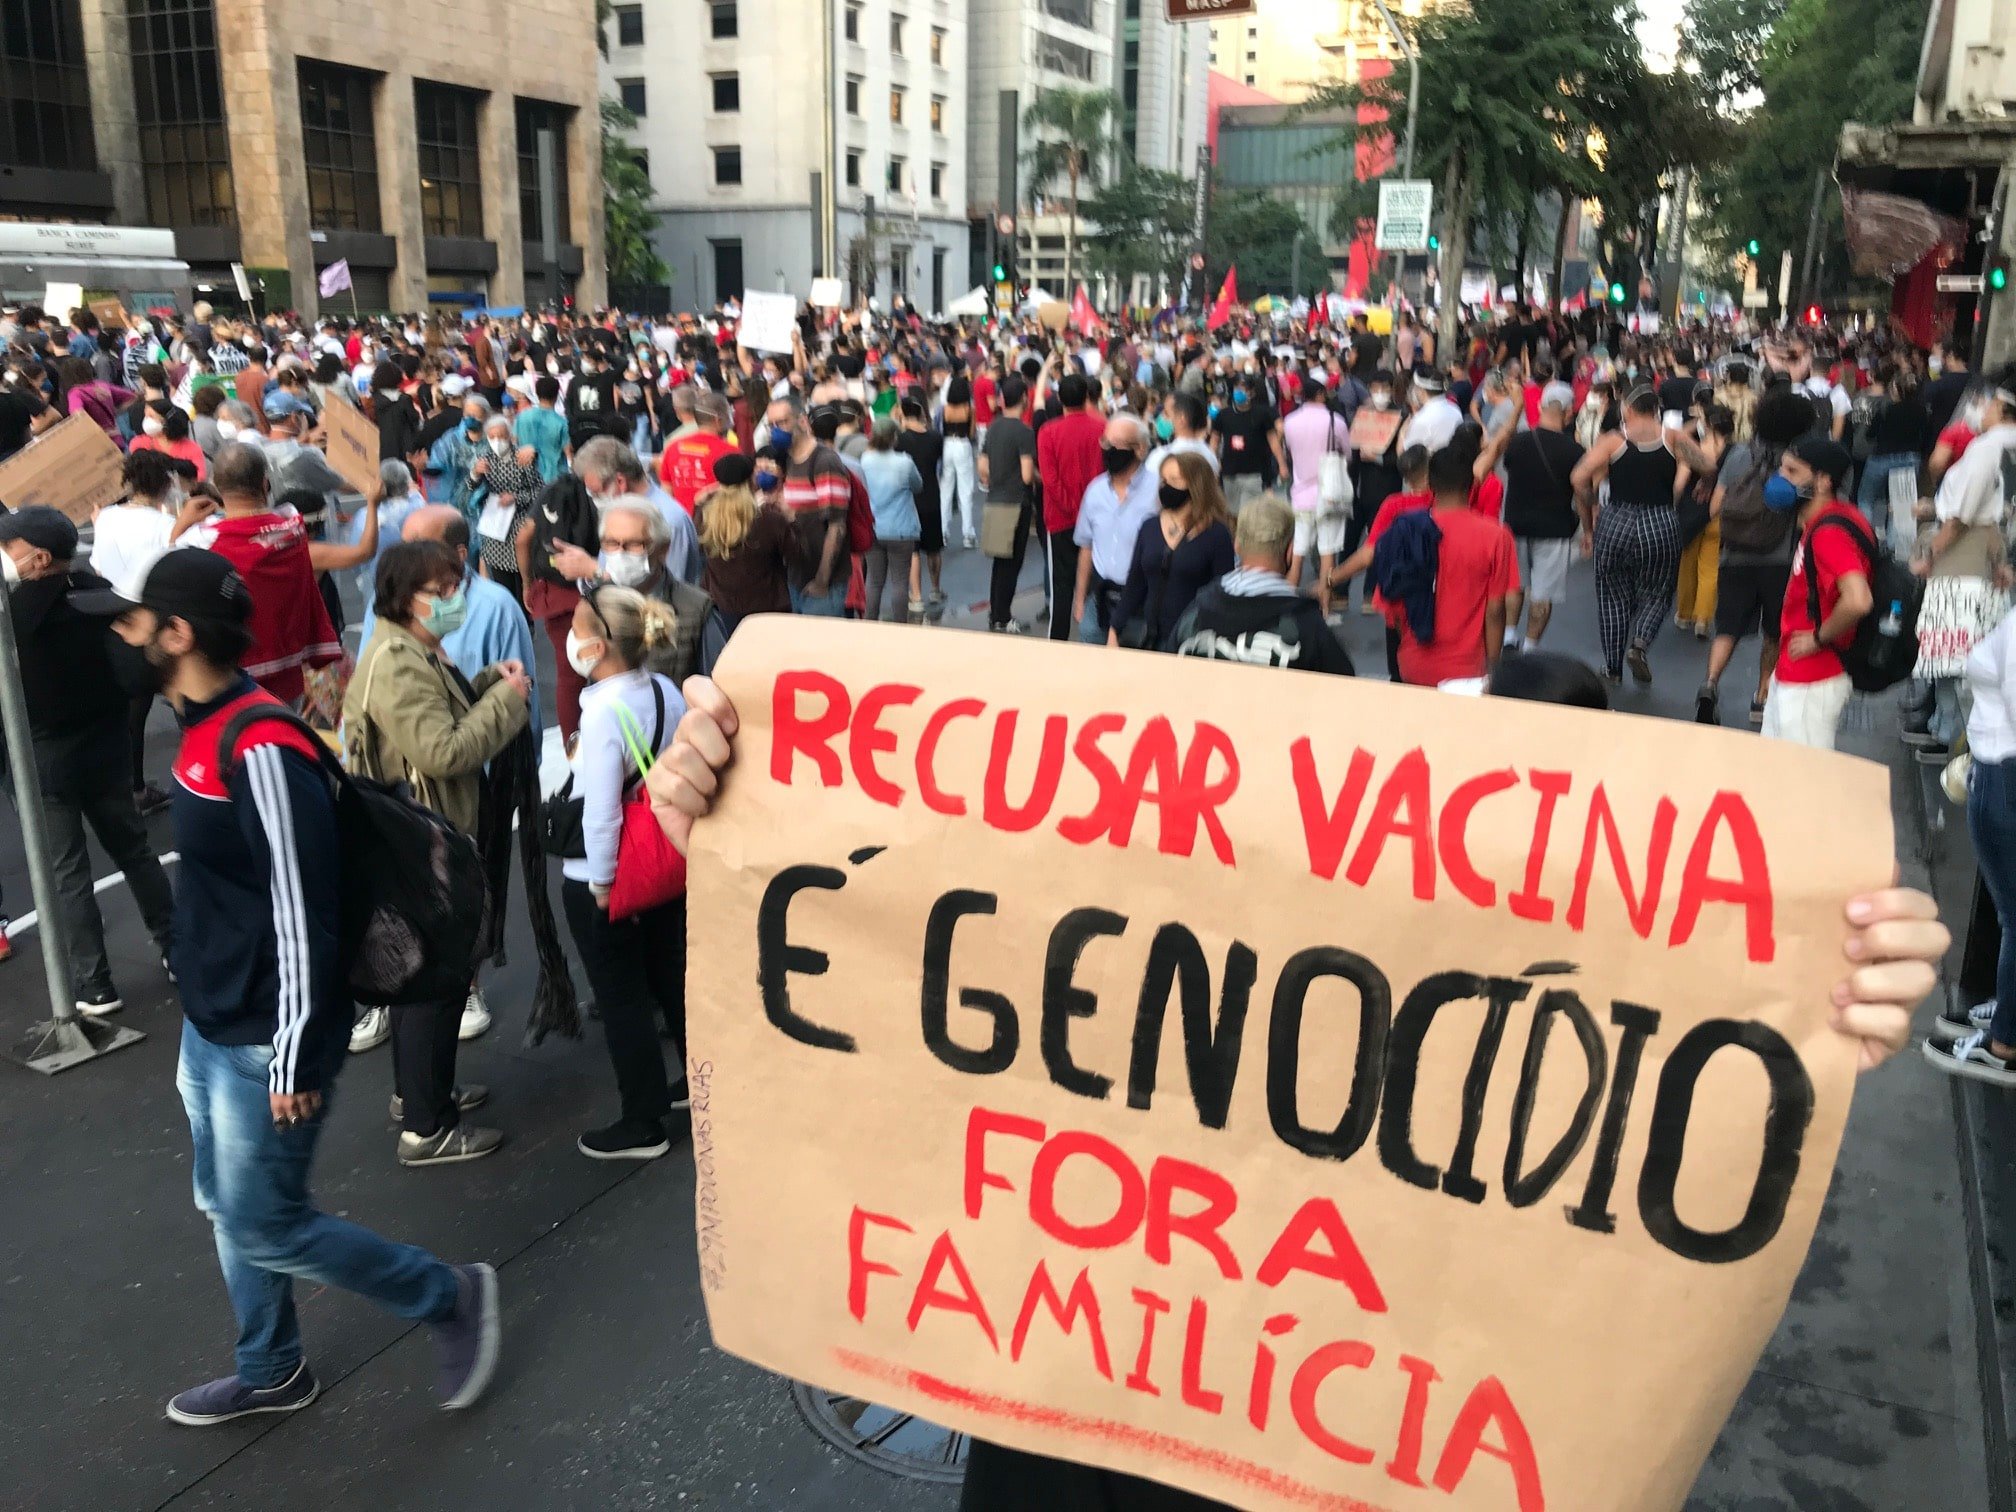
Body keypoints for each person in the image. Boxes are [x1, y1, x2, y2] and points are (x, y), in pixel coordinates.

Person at [643, 673, 1952, 1512]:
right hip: (1063, 1451)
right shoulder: (1188, 952)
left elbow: (1656, 1196)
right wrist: (736, 804)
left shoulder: (1536, 1111)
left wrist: (1822, 993)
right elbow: (917, 985)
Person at [70, 548, 500, 1425]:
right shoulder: (197, 719)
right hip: (213, 1020)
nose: (121, 636)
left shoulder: (262, 746)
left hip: (268, 1033)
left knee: (265, 1222)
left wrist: (296, 1054)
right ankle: (271, 1368)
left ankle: (450, 1296)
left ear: (178, 635)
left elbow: (306, 910)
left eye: (132, 621)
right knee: (227, 1207)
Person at [343, 540, 530, 1166]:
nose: (454, 600)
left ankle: (421, 1093)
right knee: (434, 979)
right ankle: (427, 1127)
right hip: (421, 845)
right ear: (405, 597)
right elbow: (442, 752)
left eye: (457, 587)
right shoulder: (397, 660)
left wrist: (486, 685)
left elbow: (434, 718)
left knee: (425, 976)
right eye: (441, 591)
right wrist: (507, 702)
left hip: (418, 838)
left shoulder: (409, 649)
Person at [0, 506, 176, 1012]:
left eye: (10, 547)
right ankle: (177, 948)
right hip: (106, 745)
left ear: (38, 558)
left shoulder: (14, 615)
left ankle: (95, 984)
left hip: (45, 758)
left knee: (67, 873)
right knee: (134, 851)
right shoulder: (97, 595)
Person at [558, 586, 690, 1158]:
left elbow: (601, 813)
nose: (570, 639)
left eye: (577, 628)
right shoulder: (664, 690)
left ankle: (643, 1121)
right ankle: (701, 1080)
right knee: (672, 978)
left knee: (621, 997)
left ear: (599, 645)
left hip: (611, 874)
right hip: (663, 861)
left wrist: (602, 884)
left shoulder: (603, 710)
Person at [173, 443, 344, 706]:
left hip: (230, 677)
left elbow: (169, 576)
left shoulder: (202, 540)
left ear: (217, 487)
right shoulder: (293, 530)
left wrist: (181, 524)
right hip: (288, 673)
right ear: (265, 484)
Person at [1926, 605, 2016, 1084]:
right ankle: (2009, 1014)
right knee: (2010, 915)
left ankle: (2004, 1044)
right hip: (1997, 771)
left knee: (2015, 917)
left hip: (2005, 775)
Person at [1908, 368, 2016, 761]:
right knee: (1974, 655)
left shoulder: (1987, 448)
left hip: (1960, 565)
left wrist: (1928, 554)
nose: (1979, 409)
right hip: (1989, 559)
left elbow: (1962, 518)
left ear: (2001, 407)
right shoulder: (2003, 448)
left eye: (1986, 403)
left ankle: (1951, 735)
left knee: (1954, 656)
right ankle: (1947, 729)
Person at [1697, 386, 1811, 728]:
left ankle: (1710, 683)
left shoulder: (1737, 456)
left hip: (1735, 556)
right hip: (1779, 561)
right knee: (1773, 632)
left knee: (1728, 626)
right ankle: (1762, 695)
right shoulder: (1798, 464)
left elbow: (1716, 507)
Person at [1759, 437, 1874, 751]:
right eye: (1781, 469)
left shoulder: (1828, 533)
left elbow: (1858, 599)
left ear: (1823, 481)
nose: (1781, 479)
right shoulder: (1835, 518)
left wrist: (1818, 638)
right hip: (1796, 673)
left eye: (1792, 472)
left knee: (1804, 775)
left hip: (1812, 678)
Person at [1570, 388, 1689, 684]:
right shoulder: (1673, 438)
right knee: (1658, 591)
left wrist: (1589, 512)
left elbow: (1578, 477)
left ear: (1628, 409)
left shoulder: (1614, 440)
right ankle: (1640, 642)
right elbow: (1707, 464)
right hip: (1659, 521)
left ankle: (1612, 667)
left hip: (1617, 519)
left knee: (1612, 594)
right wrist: (1704, 483)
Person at [1382, 444, 1520, 689]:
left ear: (1430, 484)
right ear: (1472, 484)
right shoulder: (1496, 536)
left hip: (1413, 664)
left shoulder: (1406, 531)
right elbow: (1495, 610)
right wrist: (1493, 667)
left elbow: (1394, 608)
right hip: (1468, 669)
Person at [1170, 494, 1355, 675]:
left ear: (1237, 545)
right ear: (1289, 551)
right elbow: (1344, 683)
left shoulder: (1195, 614)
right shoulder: (1306, 627)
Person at [1108, 450, 1235, 652]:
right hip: (1149, 639)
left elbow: (1223, 594)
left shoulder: (1216, 534)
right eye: (1163, 480)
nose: (1166, 487)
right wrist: (1115, 628)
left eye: (1174, 480)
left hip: (1193, 641)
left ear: (1195, 485)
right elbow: (1135, 584)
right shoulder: (1149, 527)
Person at [1499, 380, 1587, 648]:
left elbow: (1507, 467)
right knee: (1543, 593)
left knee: (1514, 583)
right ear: (1569, 412)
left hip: (1515, 522)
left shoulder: (1519, 442)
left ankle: (1509, 636)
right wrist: (1588, 529)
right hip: (1554, 528)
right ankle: (1530, 647)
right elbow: (1581, 492)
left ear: (1540, 406)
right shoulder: (1575, 452)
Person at [1072, 414, 1159, 644]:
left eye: (1117, 444)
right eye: (1105, 443)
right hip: (1100, 601)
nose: (1109, 450)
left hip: (1142, 603)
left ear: (1140, 449)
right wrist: (1080, 601)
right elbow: (1086, 547)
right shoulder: (1095, 491)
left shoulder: (1157, 491)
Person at [769, 393, 853, 618]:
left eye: (782, 422)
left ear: (802, 421)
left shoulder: (825, 461)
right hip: (796, 577)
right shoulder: (787, 460)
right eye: (771, 425)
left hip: (822, 584)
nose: (776, 430)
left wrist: (822, 580)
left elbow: (837, 526)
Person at [1037, 372, 1106, 641]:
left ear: (1059, 398)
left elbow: (1050, 480)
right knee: (1098, 583)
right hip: (1096, 517)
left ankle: (1058, 642)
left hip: (1060, 519)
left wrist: (1071, 508)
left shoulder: (1048, 431)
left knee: (1061, 587)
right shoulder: (1102, 428)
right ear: (1087, 396)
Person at [694, 452, 795, 633]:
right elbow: (798, 556)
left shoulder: (705, 517)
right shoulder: (769, 520)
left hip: (722, 611)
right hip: (768, 612)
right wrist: (792, 518)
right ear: (751, 481)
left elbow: (699, 552)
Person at [1279, 372, 1353, 612]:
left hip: (1300, 496)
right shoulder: (1335, 421)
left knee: (1298, 555)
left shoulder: (1289, 421)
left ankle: (1285, 606)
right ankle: (1324, 609)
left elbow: (1290, 452)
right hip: (1329, 496)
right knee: (1327, 554)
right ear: (1320, 394)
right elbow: (1347, 455)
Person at [980, 374, 1038, 633]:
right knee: (1012, 565)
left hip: (995, 500)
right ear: (1024, 398)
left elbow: (982, 467)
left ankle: (996, 613)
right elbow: (1026, 475)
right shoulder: (1024, 432)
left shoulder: (994, 428)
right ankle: (1003, 617)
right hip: (1017, 504)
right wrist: (1039, 477)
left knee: (999, 563)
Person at [859, 416, 922, 623]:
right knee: (900, 581)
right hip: (901, 529)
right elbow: (918, 486)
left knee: (874, 581)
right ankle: (899, 625)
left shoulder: (865, 461)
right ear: (894, 437)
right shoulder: (904, 462)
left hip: (874, 527)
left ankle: (870, 621)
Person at [897, 395, 947, 613]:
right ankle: (935, 588)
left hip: (909, 498)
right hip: (932, 495)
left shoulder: (900, 440)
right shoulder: (935, 437)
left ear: (902, 413)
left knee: (914, 550)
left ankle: (916, 595)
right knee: (934, 548)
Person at [1213, 367, 1283, 514]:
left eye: (1243, 389)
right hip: (1230, 472)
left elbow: (1273, 439)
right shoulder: (1224, 415)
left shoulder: (1262, 414)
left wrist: (1282, 465)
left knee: (1249, 513)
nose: (1239, 392)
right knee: (1232, 512)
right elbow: (1215, 440)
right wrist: (1213, 462)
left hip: (1254, 473)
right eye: (1237, 388)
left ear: (1252, 392)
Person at [940, 374, 980, 548]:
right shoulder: (969, 409)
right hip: (962, 445)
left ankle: (943, 531)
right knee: (965, 490)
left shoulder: (945, 409)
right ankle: (968, 533)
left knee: (945, 490)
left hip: (947, 445)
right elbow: (972, 433)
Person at [515, 374, 570, 481]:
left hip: (528, 476)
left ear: (536, 393)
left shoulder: (522, 417)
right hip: (554, 477)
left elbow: (514, 441)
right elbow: (568, 451)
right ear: (557, 394)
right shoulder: (561, 423)